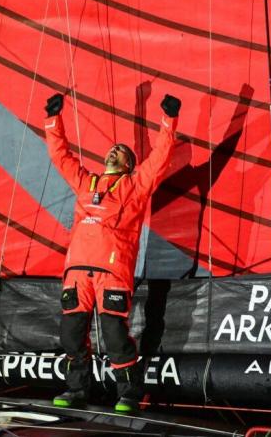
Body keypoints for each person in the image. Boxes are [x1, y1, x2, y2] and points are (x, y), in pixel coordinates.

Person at [43, 92, 180, 413]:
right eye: (112, 149)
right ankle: (77, 389)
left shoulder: (135, 185)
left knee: (115, 335)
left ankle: (129, 393)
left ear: (130, 164)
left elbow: (160, 157)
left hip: (112, 274)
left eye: (122, 151)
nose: (114, 150)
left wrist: (169, 120)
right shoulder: (86, 182)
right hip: (77, 273)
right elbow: (60, 156)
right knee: (71, 336)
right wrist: (52, 120)